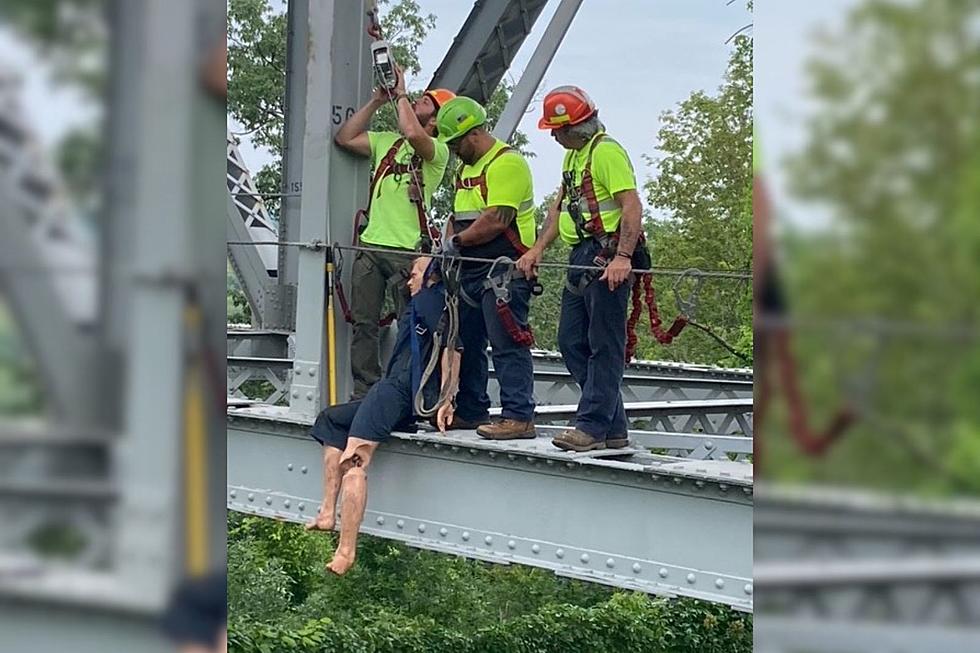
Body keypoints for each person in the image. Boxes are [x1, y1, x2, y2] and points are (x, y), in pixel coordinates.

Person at [305, 257, 461, 575]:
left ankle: (346, 551)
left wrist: (447, 400)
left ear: (431, 277)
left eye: (415, 274)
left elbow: (451, 350)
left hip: (396, 391)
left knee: (355, 460)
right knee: (330, 420)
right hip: (401, 392)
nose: (409, 281)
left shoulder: (432, 302)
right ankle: (326, 511)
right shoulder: (434, 303)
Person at [517, 86, 642, 452]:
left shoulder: (606, 153)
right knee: (571, 341)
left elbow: (631, 206)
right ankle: (613, 427)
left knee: (605, 344)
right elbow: (560, 209)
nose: (553, 136)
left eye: (557, 130)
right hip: (581, 255)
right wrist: (538, 248)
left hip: (606, 257)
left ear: (575, 127)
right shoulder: (575, 158)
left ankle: (590, 426)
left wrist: (623, 257)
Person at [334, 58, 455, 398]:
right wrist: (377, 100)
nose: (418, 100)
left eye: (426, 102)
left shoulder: (438, 151)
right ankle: (365, 391)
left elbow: (414, 133)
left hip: (408, 254)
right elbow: (345, 138)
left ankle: (408, 392)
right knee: (363, 325)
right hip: (372, 247)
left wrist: (400, 93)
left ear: (436, 120)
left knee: (412, 328)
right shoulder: (388, 141)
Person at [435, 96, 538, 440]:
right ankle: (471, 408)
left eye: (455, 142)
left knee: (508, 340)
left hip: (502, 271)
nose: (452, 150)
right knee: (469, 339)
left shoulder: (506, 164)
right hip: (470, 269)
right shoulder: (466, 171)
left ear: (474, 134)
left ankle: (518, 416)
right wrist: (447, 246)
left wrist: (458, 244)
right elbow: (457, 217)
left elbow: (497, 219)